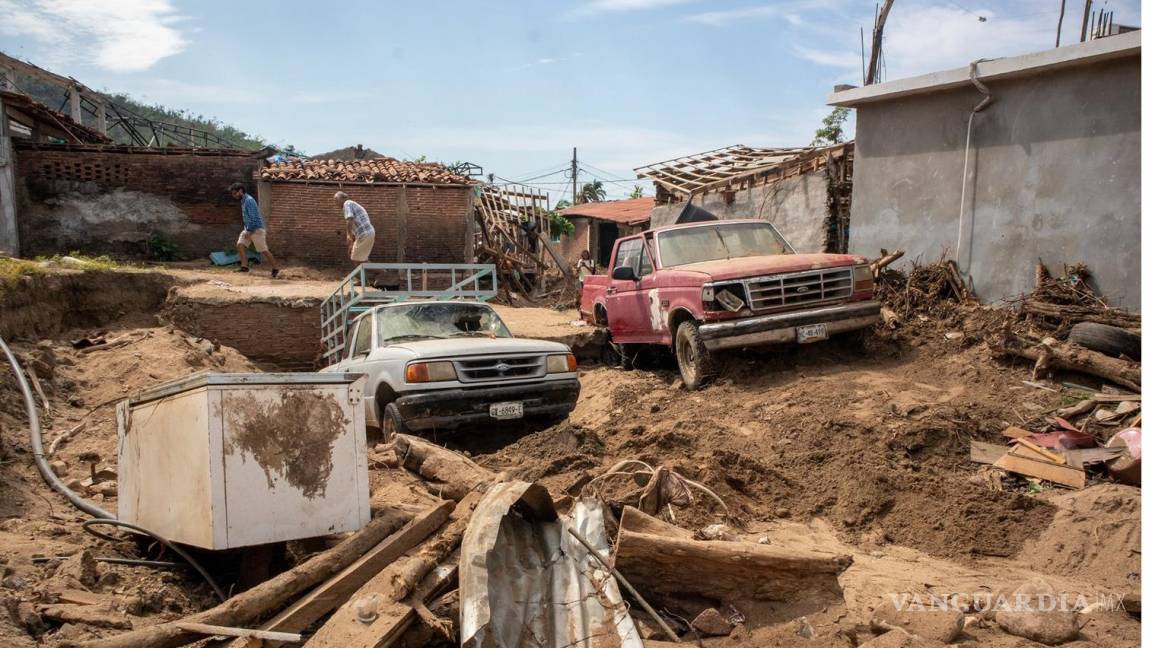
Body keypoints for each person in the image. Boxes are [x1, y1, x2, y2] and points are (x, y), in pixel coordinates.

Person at [229, 182, 280, 278]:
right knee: (240, 244)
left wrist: (249, 231)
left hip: (256, 229)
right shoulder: (243, 200)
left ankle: (275, 269)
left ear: (240, 191)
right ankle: (244, 267)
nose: (234, 196)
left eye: (235, 193)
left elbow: (254, 217)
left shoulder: (249, 200)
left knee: (263, 250)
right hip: (248, 228)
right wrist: (247, 230)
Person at [334, 191, 375, 265]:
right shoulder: (350, 205)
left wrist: (348, 235)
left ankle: (382, 272)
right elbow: (353, 226)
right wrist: (351, 243)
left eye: (336, 200)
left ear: (342, 198)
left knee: (356, 259)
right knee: (357, 258)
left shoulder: (347, 203)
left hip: (365, 233)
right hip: (364, 234)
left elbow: (350, 219)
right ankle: (369, 275)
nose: (336, 203)